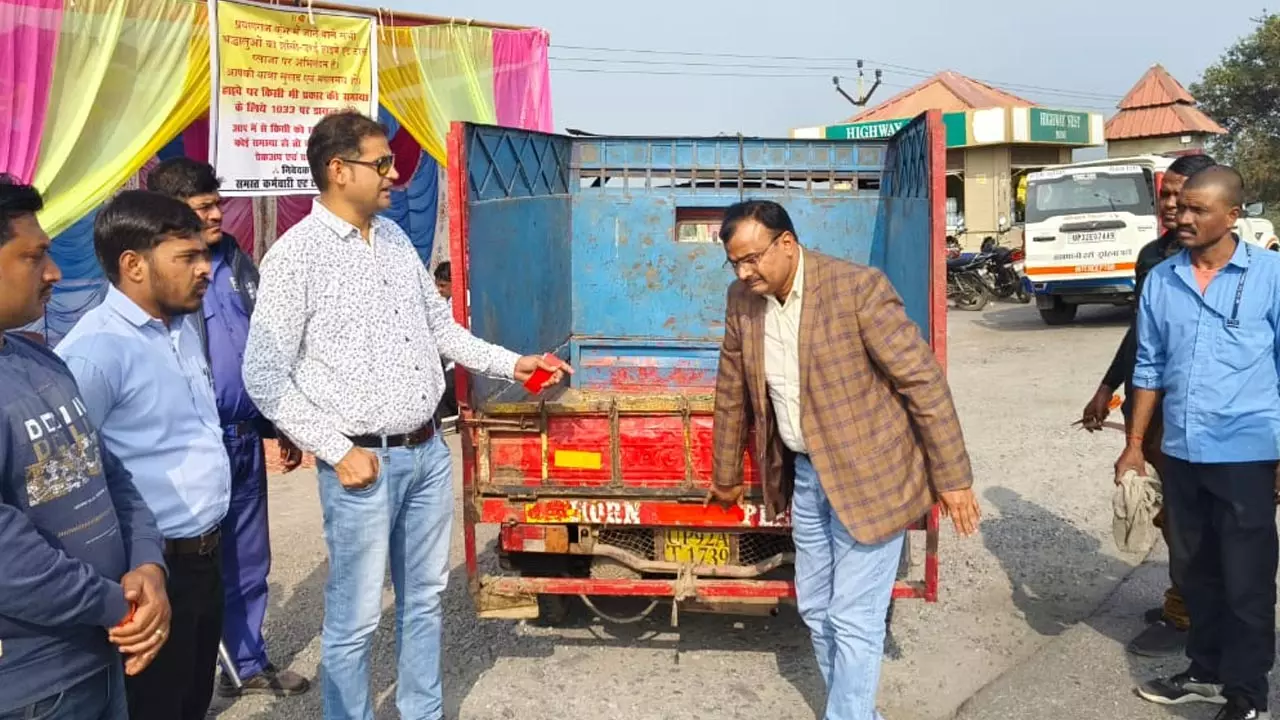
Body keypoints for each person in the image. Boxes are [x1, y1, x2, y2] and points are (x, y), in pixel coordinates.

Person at [242, 110, 570, 720]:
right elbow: (262, 375)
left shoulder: (393, 239)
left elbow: (441, 330)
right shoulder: (296, 257)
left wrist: (515, 364)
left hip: (425, 455)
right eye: (382, 162)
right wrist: (337, 451)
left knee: (425, 600)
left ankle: (422, 711)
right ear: (339, 171)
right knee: (357, 616)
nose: (396, 174)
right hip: (363, 464)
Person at [706, 200, 981, 720]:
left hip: (871, 476)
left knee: (853, 617)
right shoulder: (742, 301)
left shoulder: (856, 288)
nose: (745, 273)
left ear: (787, 244)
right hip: (807, 476)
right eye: (735, 264)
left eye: (752, 259)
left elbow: (921, 382)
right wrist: (725, 476)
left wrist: (954, 477)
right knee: (815, 607)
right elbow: (730, 393)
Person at [56, 191, 232, 720]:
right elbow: (66, 480)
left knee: (191, 703)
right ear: (132, 265)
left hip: (204, 560)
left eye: (203, 254)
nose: (205, 269)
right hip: (149, 575)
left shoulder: (178, 327)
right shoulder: (96, 352)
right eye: (186, 257)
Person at [0, 177, 170, 720]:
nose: (54, 272)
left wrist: (148, 564)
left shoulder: (38, 361)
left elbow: (109, 474)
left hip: (101, 650)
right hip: (36, 685)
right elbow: (8, 556)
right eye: (34, 256)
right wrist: (119, 606)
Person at [1118, 166, 1280, 720]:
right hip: (1181, 453)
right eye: (1179, 207)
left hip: (1248, 455)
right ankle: (1205, 672)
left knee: (1247, 581)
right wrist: (1135, 444)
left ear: (1233, 216)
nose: (1181, 217)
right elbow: (1148, 365)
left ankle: (1246, 695)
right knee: (1195, 574)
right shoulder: (1163, 279)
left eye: (1196, 210)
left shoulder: (1271, 276)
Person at [145, 158, 308, 698]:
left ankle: (246, 664)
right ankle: (183, 684)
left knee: (250, 560)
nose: (219, 214)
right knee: (189, 573)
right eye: (204, 208)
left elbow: (257, 350)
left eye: (218, 203)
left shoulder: (236, 263)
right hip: (191, 447)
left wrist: (276, 422)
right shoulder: (159, 284)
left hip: (240, 439)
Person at [1079, 152, 1217, 657]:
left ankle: (1189, 611)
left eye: (1182, 196)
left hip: (1209, 413)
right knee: (1167, 508)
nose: (1171, 205)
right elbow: (1142, 333)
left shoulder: (1230, 264)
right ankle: (1185, 600)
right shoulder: (1153, 258)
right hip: (1153, 407)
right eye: (1165, 195)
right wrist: (1106, 386)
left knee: (1198, 512)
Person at [431, 262, 459, 423]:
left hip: (456, 367)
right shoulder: (444, 304)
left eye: (443, 285)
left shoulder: (460, 303)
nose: (439, 290)